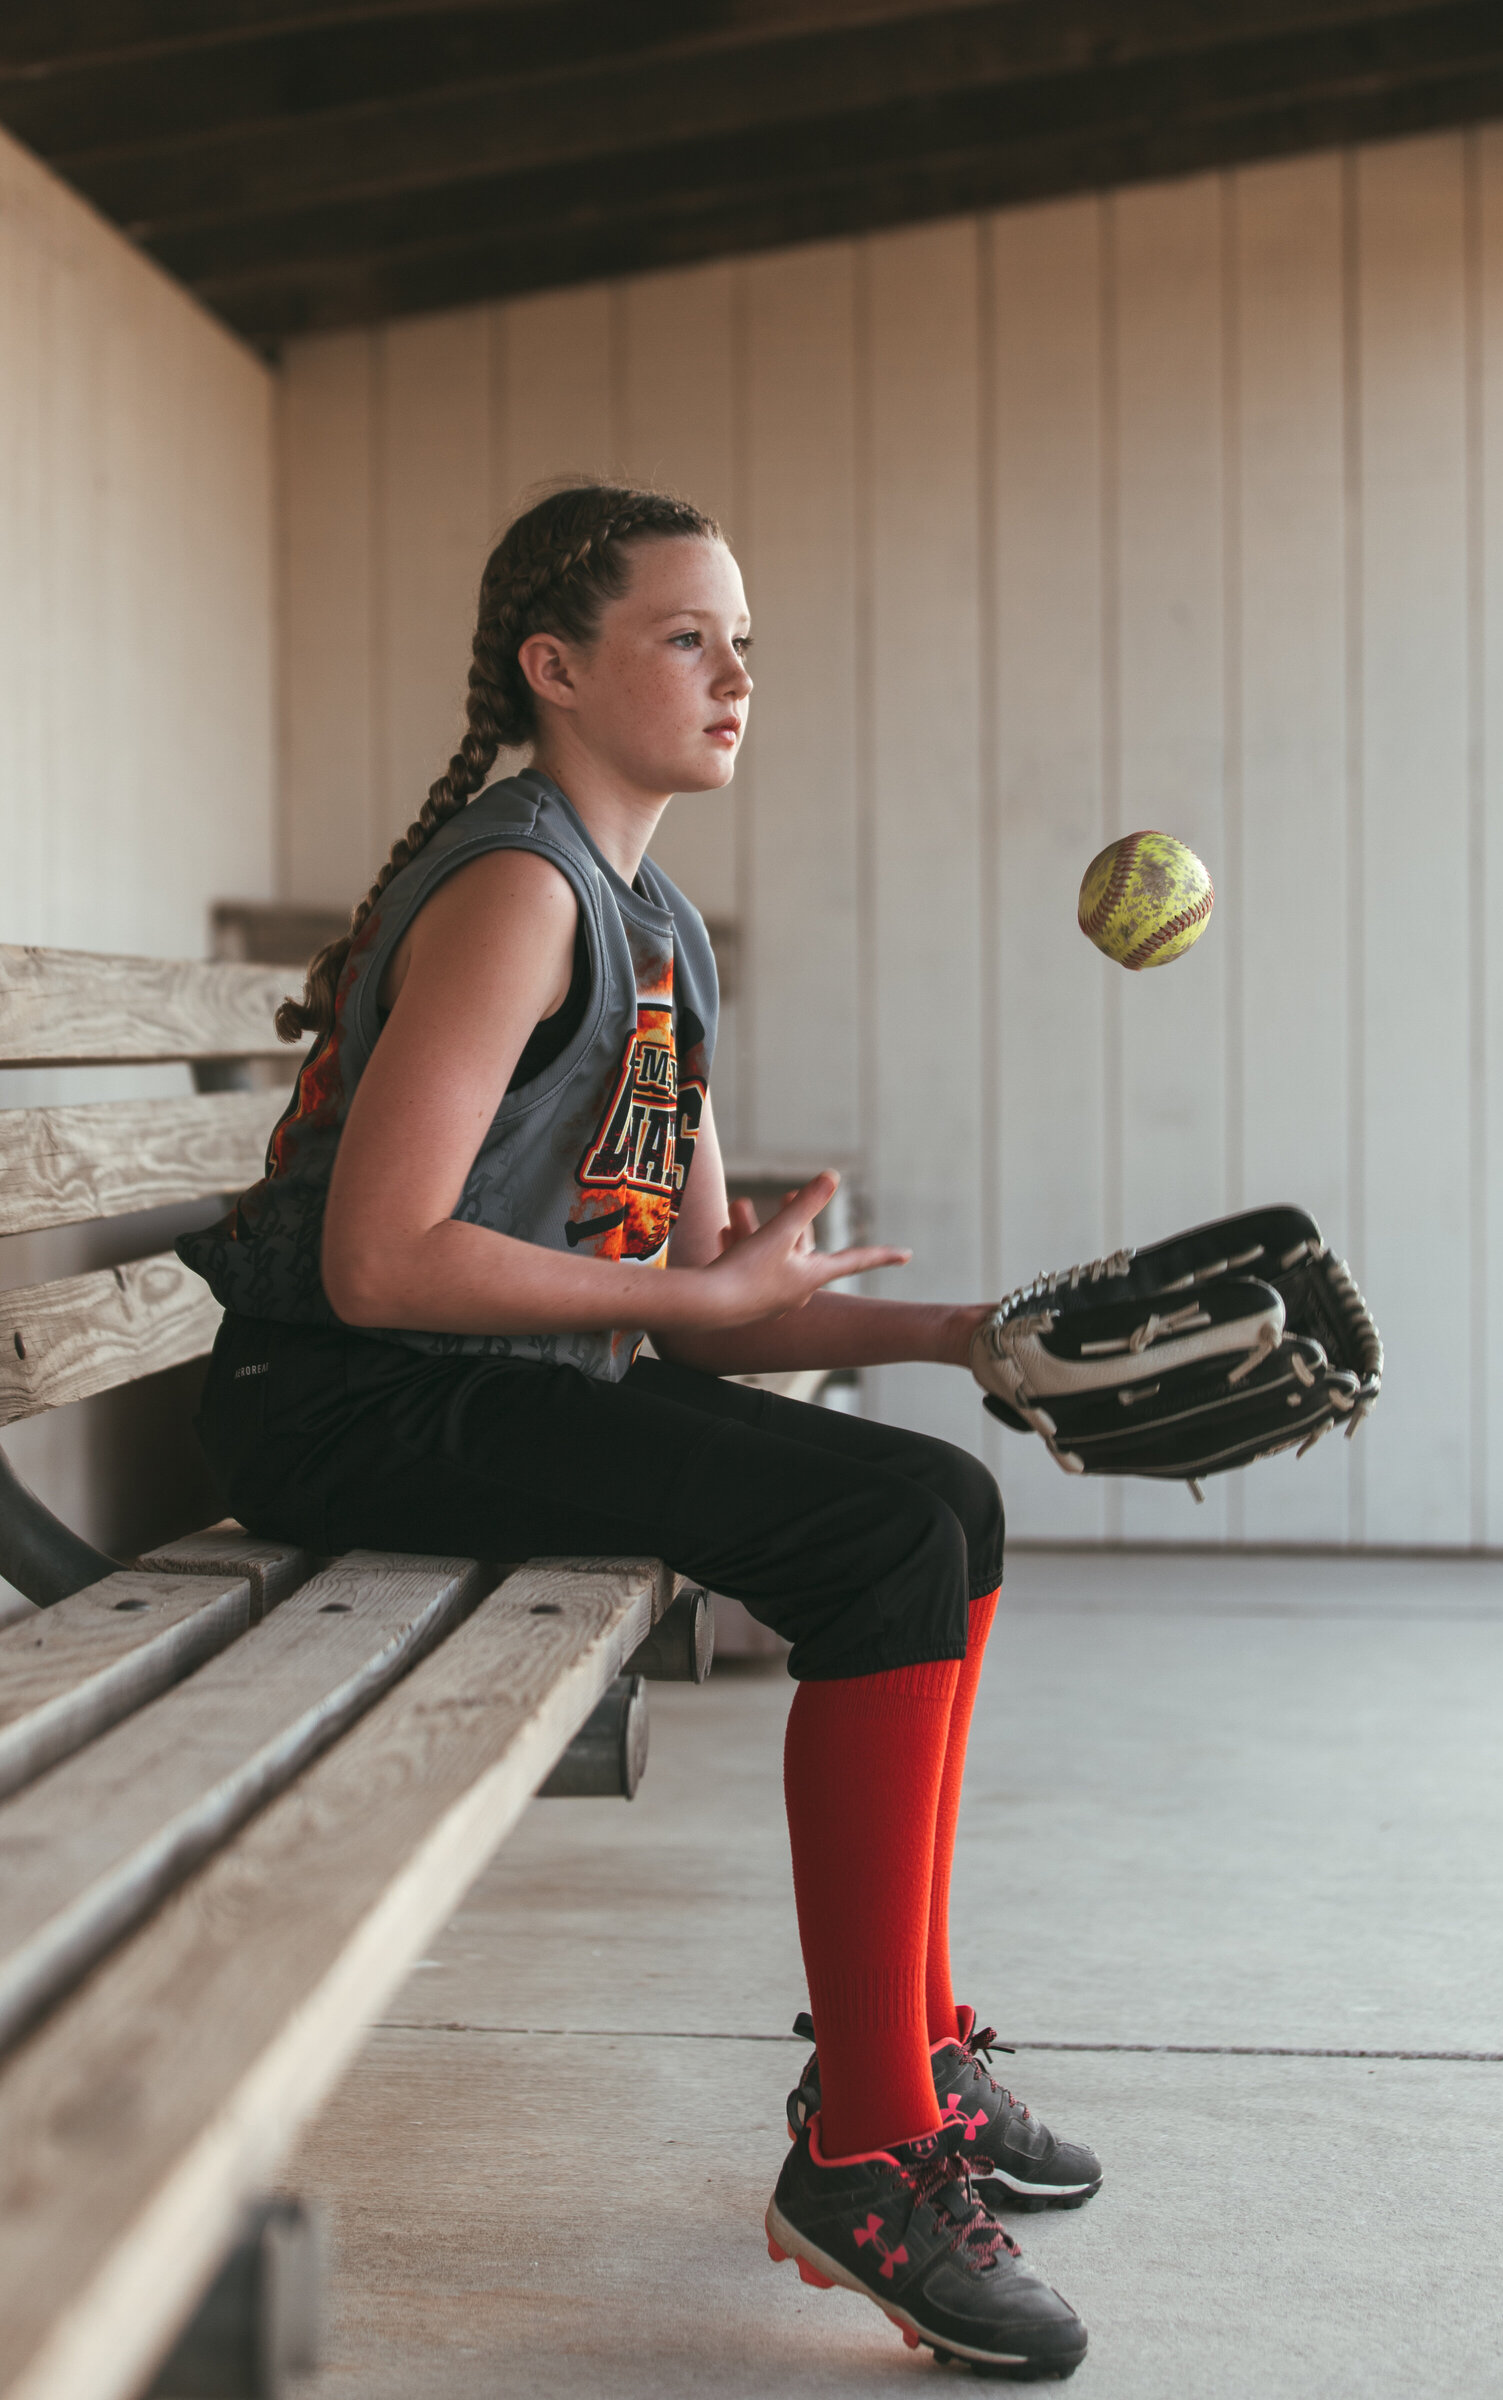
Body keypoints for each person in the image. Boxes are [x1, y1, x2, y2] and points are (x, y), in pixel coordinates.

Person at [179, 481, 1097, 2379]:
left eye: (743, 636)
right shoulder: (522, 889)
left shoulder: (654, 921)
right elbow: (378, 1262)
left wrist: (975, 1341)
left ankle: (908, 2051)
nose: (738, 672)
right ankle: (861, 2149)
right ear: (558, 670)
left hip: (485, 1393)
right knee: (888, 1539)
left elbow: (706, 1306)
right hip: (346, 1406)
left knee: (945, 1499)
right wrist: (696, 1307)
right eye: (690, 636)